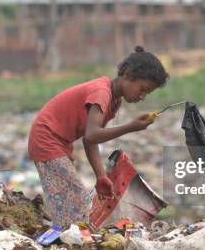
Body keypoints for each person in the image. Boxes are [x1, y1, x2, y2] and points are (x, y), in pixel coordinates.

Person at [27, 46, 169, 229]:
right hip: (47, 139)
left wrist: (100, 175)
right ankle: (70, 240)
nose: (142, 96)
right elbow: (93, 134)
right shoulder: (102, 93)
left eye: (147, 93)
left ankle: (68, 236)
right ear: (128, 74)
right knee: (74, 197)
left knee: (69, 198)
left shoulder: (113, 100)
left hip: (59, 142)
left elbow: (90, 139)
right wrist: (130, 127)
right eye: (142, 89)